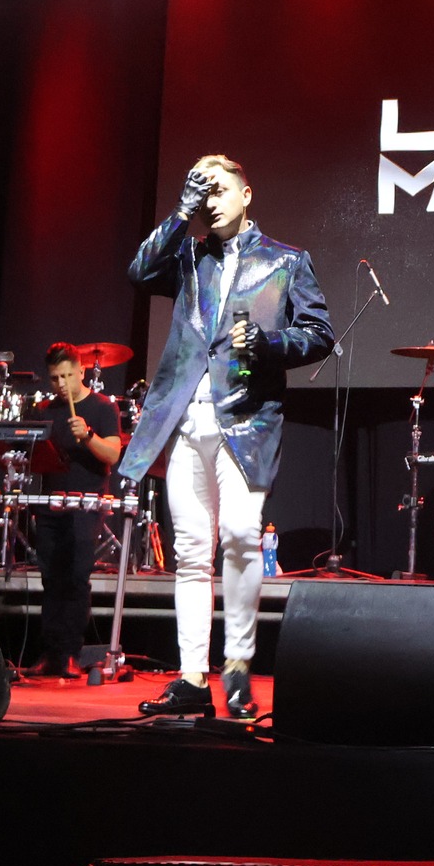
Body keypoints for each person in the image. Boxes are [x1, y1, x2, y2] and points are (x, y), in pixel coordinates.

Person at [123, 156, 333, 720]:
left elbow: (318, 334)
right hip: (186, 420)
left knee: (240, 535)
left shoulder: (286, 260)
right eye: (199, 190)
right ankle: (192, 675)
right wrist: (180, 212)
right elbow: (139, 273)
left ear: (246, 193)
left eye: (217, 188)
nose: (209, 198)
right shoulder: (188, 255)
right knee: (192, 550)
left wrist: (266, 344)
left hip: (248, 417)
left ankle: (238, 667)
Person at [28, 342, 123, 678]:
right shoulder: (45, 410)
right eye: (55, 378)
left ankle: (70, 651)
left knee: (76, 575)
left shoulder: (101, 408)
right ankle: (52, 651)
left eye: (68, 375)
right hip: (52, 502)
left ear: (82, 372)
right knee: (51, 575)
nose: (62, 384)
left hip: (86, 502)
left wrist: (89, 436)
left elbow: (112, 455)